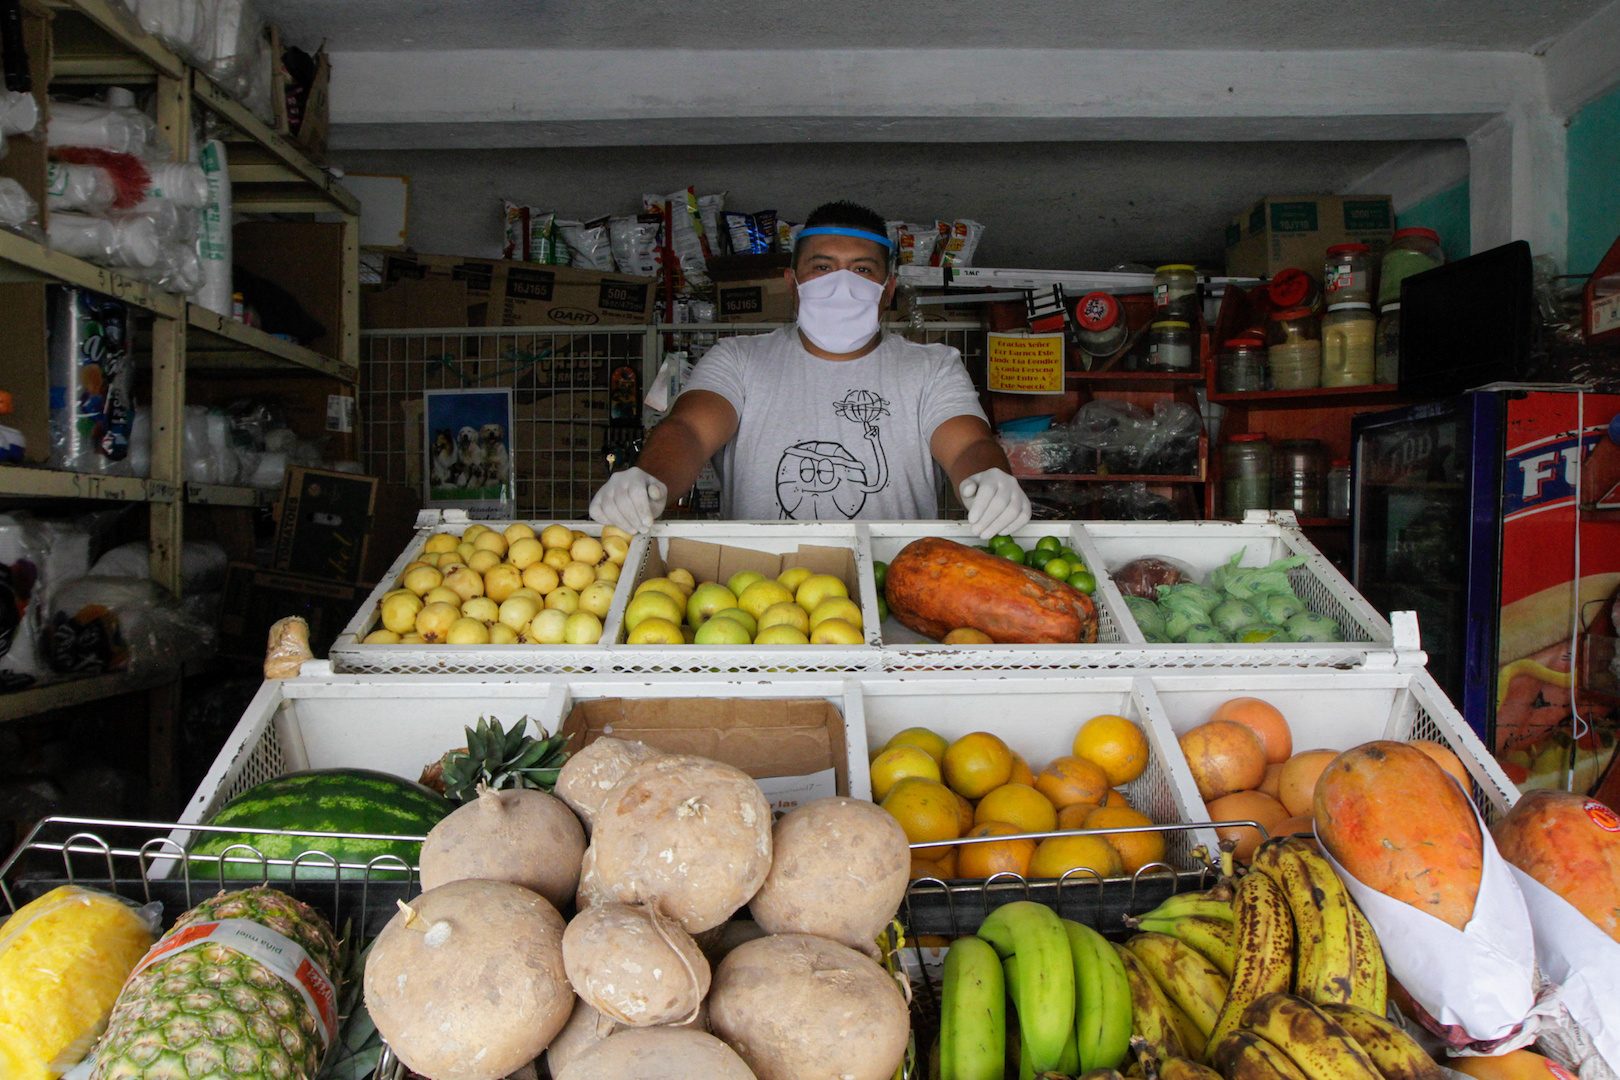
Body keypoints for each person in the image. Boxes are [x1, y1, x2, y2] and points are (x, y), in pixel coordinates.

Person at [589, 200, 1031, 539]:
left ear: (888, 288)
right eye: (822, 268)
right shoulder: (739, 359)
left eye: (862, 270)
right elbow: (688, 430)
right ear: (791, 283)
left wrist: (988, 478)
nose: (842, 283)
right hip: (762, 588)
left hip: (892, 580)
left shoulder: (932, 368)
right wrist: (650, 479)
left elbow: (967, 443)